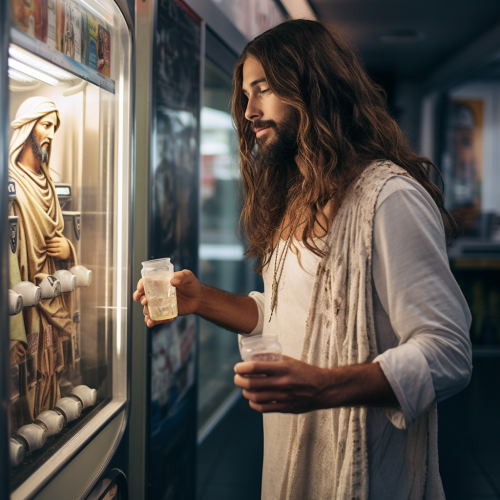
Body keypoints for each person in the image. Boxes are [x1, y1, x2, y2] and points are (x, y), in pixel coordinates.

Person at [133, 20, 472, 500]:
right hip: (295, 462)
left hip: (365, 474)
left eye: (264, 89)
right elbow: (282, 317)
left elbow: (449, 352)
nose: (249, 110)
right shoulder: (299, 197)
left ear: (314, 86)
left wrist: (325, 388)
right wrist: (201, 298)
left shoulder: (389, 197)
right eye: (246, 94)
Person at [9, 96, 77, 427]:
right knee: (25, 375)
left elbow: (63, 242)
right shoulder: (10, 180)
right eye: (45, 125)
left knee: (50, 366)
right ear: (27, 127)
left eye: (55, 128)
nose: (50, 134)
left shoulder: (49, 181)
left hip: (51, 291)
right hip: (24, 295)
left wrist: (68, 251)